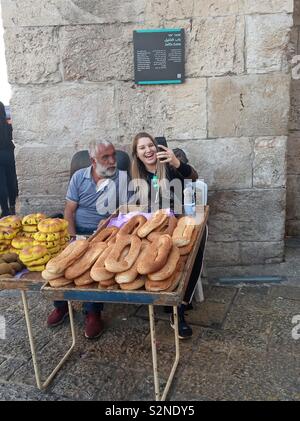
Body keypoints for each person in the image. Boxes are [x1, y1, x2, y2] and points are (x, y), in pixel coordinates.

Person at [47, 140, 130, 339]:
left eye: (113, 156)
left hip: (107, 233)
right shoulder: (79, 177)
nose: (112, 161)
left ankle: (92, 312)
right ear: (93, 160)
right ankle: (61, 305)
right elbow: (69, 210)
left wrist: (111, 221)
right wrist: (71, 238)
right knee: (58, 266)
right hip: (79, 231)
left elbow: (128, 212)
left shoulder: (123, 178)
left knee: (92, 270)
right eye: (105, 157)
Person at [130, 132, 206, 339]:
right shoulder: (137, 175)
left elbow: (194, 176)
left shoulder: (171, 165)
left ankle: (179, 310)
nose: (148, 150)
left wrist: (176, 162)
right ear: (137, 154)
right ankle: (162, 293)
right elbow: (137, 206)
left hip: (181, 218)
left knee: (193, 243)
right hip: (155, 224)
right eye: (142, 147)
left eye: (150, 145)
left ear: (157, 147)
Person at [0, 102, 18, 217]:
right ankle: (12, 206)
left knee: (1, 184)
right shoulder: (8, 125)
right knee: (11, 181)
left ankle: (5, 210)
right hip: (9, 154)